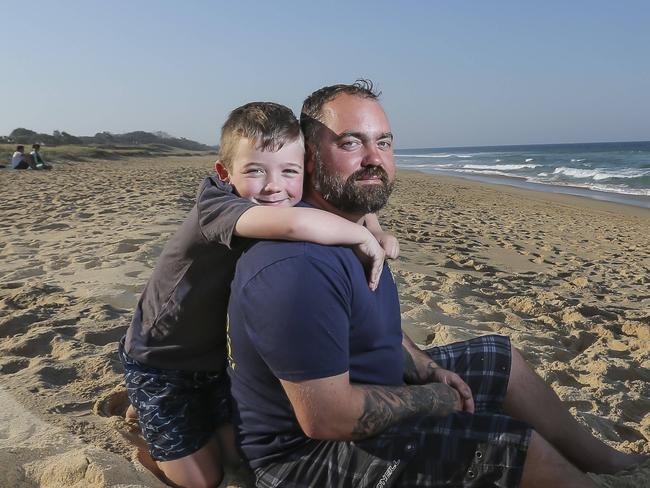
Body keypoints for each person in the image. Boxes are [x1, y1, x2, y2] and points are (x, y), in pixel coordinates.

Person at [226, 81, 647, 488]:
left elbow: (375, 329)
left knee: (502, 360)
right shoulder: (297, 266)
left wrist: (428, 369)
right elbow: (327, 418)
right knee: (509, 448)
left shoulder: (348, 228)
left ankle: (610, 463)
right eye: (352, 143)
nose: (375, 158)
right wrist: (435, 398)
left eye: (384, 142)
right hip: (308, 459)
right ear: (310, 157)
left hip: (366, 390)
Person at [119, 101, 395, 488]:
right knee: (202, 479)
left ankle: (145, 411)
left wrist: (375, 225)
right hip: (163, 359)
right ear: (224, 172)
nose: (273, 186)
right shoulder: (217, 205)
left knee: (235, 450)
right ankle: (147, 422)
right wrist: (361, 236)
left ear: (306, 168)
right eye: (254, 171)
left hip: (217, 357)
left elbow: (349, 205)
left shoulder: (280, 189)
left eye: (289, 171)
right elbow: (297, 223)